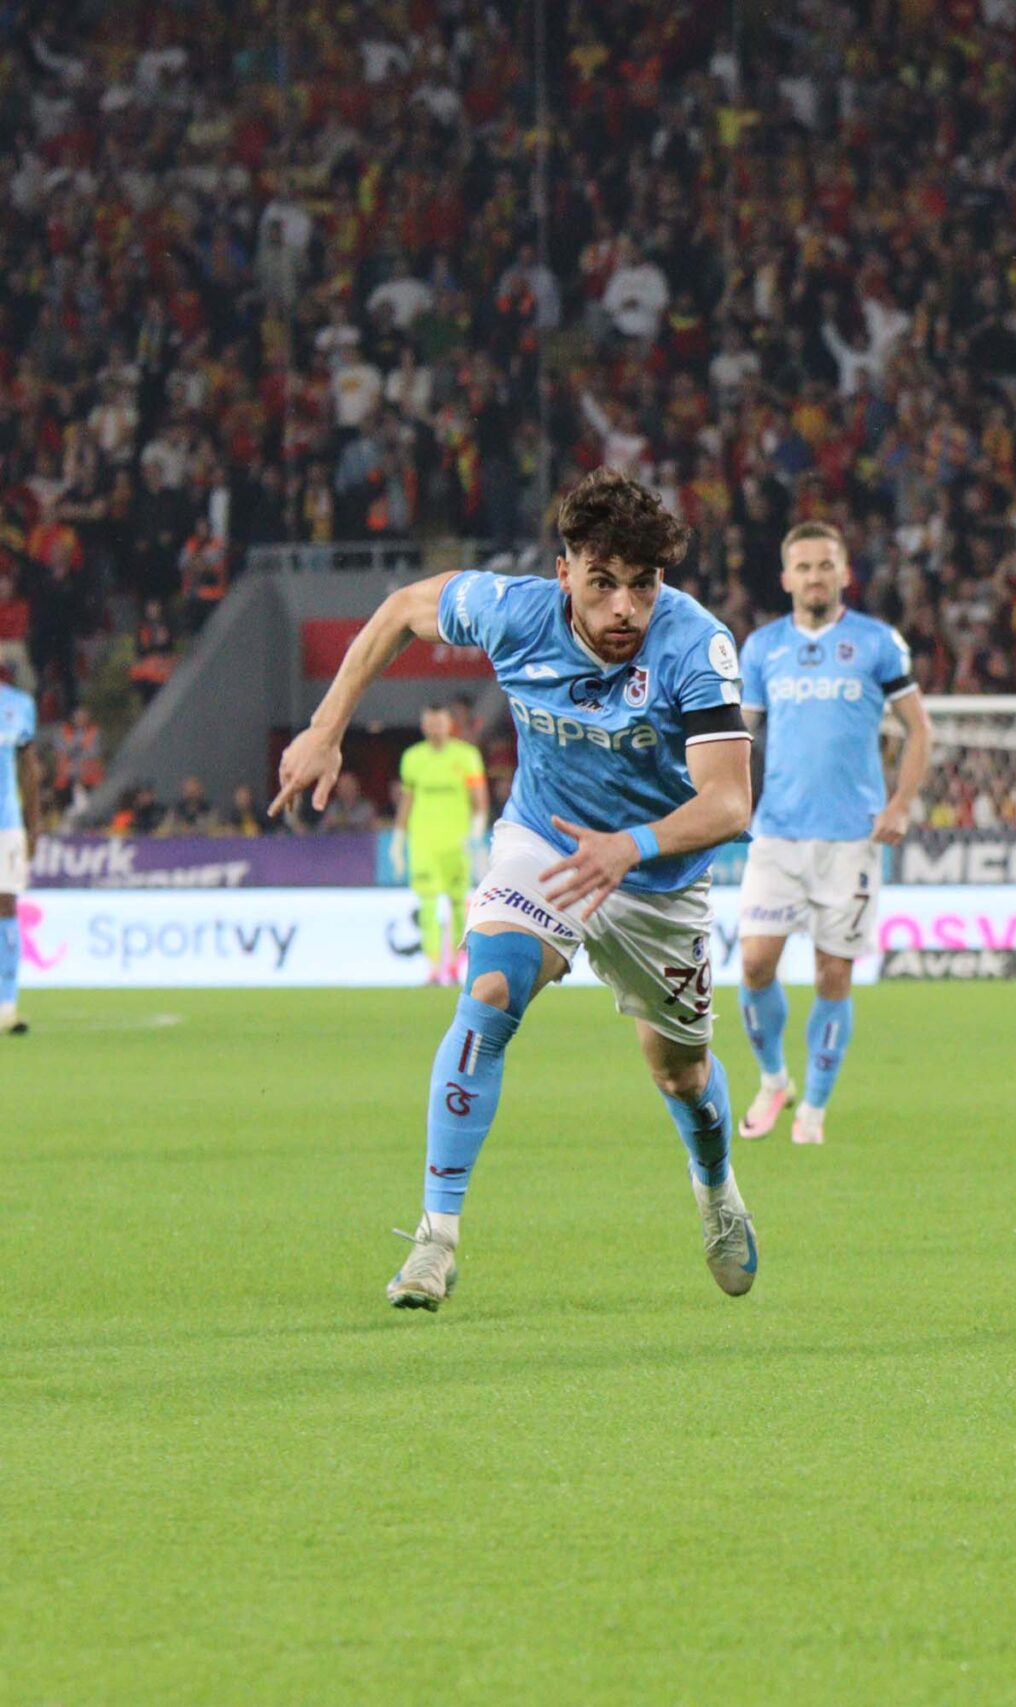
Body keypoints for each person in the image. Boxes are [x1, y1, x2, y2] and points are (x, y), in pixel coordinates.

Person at [272, 469, 758, 1310]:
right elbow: (400, 610)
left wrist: (631, 846)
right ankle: (435, 1238)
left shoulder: (696, 644)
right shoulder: (510, 611)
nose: (625, 609)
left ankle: (716, 1188)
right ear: (564, 572)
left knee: (680, 1073)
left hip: (656, 875)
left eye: (643, 585)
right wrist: (325, 727)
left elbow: (728, 802)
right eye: (602, 583)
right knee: (492, 989)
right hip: (547, 840)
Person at [732, 520, 932, 1146]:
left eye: (825, 565)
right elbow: (739, 737)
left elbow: (920, 729)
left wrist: (900, 804)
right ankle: (774, 1080)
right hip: (777, 834)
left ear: (844, 573)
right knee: (755, 963)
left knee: (833, 976)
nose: (815, 576)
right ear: (786, 577)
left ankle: (814, 1109)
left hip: (851, 839)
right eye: (804, 566)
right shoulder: (762, 648)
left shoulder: (876, 643)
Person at [394, 700, 489, 986]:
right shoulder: (412, 757)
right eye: (430, 723)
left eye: (439, 722)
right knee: (427, 904)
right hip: (423, 843)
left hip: (457, 844)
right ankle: (433, 967)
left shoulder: (467, 756)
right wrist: (398, 840)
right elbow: (407, 801)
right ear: (423, 725)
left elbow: (480, 802)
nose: (435, 728)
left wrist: (475, 835)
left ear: (450, 724)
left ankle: (456, 967)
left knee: (459, 904)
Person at [0, 662, 39, 1036]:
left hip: (6, 825)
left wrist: (34, 822)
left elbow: (28, 767)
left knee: (6, 906)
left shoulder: (18, 704)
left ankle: (6, 1007)